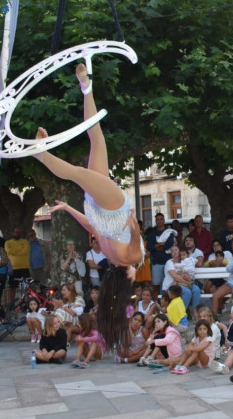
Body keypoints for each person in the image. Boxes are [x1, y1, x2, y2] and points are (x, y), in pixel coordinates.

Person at [33, 65, 145, 351]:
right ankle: (85, 85)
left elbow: (131, 235)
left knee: (77, 171)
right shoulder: (109, 254)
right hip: (100, 209)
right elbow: (91, 227)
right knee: (96, 136)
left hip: (112, 206)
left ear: (126, 278)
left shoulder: (128, 257)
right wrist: (69, 209)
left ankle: (42, 153)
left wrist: (133, 226)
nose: (136, 275)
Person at [146, 212, 175, 294]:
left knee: (167, 286)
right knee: (156, 286)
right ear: (155, 221)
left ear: (164, 221)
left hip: (168, 263)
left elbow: (169, 245)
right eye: (157, 219)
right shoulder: (152, 233)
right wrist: (159, 244)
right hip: (156, 263)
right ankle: (156, 304)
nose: (159, 221)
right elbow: (149, 247)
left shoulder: (169, 232)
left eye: (161, 219)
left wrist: (157, 247)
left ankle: (166, 304)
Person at [4, 227, 30, 302]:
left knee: (27, 287)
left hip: (24, 267)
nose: (17, 234)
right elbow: (8, 251)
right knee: (12, 287)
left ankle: (27, 302)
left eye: (18, 232)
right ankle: (12, 304)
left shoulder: (25, 241)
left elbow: (25, 251)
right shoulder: (7, 243)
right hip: (13, 268)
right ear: (12, 233)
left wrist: (14, 252)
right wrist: (19, 251)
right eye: (15, 232)